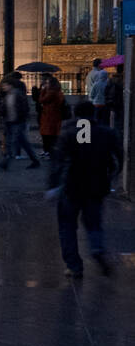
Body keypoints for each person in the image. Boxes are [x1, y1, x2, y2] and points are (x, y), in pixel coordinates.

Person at [49, 100, 122, 278]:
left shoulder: (68, 132)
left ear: (76, 113)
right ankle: (97, 248)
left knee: (67, 226)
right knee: (94, 223)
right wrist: (111, 175)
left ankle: (74, 266)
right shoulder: (106, 133)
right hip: (96, 186)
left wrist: (53, 185)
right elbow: (118, 158)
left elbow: (58, 161)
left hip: (72, 186)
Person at [0, 71, 40, 169]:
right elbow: (5, 108)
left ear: (10, 85)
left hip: (18, 122)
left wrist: (21, 119)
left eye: (5, 85)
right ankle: (35, 160)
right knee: (21, 142)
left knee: (14, 142)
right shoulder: (7, 95)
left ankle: (7, 161)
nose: (3, 87)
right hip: (10, 122)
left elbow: (24, 108)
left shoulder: (17, 94)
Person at [38, 76, 65, 156]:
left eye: (47, 83)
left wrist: (43, 90)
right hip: (53, 115)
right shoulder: (58, 91)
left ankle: (48, 151)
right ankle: (48, 151)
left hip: (49, 116)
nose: (46, 84)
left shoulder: (51, 92)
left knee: (47, 135)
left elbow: (41, 100)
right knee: (51, 135)